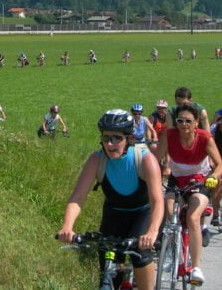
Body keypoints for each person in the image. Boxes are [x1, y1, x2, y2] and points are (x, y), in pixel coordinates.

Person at [57, 110, 164, 290]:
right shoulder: (96, 160)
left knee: (141, 254)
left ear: (129, 139)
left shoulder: (145, 159)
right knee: (108, 263)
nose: (109, 143)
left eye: (116, 138)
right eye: (106, 137)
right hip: (114, 214)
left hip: (143, 213)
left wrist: (152, 232)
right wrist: (67, 227)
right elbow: (77, 197)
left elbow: (157, 200)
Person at [155, 103, 222, 285]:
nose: (184, 125)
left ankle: (196, 267)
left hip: (199, 182)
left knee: (193, 217)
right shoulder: (169, 136)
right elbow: (154, 160)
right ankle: (171, 253)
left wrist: (214, 177)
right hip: (177, 181)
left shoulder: (204, 138)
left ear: (196, 123)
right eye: (180, 121)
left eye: (188, 121)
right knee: (169, 213)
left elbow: (220, 166)